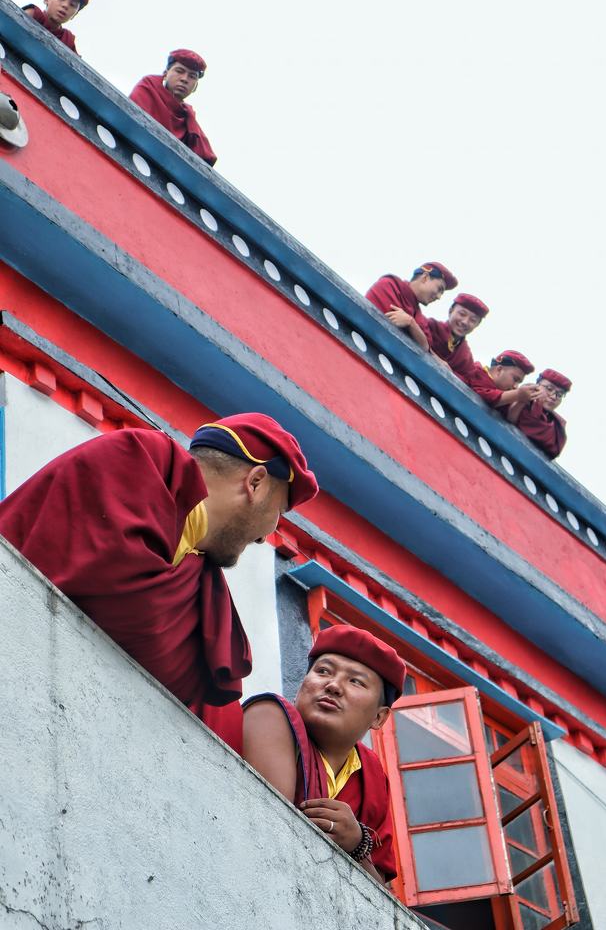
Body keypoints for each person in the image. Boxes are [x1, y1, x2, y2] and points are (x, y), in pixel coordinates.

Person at [0, 414, 318, 753]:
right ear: (255, 483)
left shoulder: (206, 584)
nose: (266, 536)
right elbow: (118, 604)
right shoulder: (139, 459)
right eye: (278, 512)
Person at [243, 625, 406, 884]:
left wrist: (357, 843)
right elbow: (268, 826)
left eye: (355, 681)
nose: (333, 685)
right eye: (323, 671)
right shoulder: (270, 717)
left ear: (379, 717)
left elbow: (380, 892)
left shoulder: (373, 777)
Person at [129, 50, 217, 166]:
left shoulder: (188, 117)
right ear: (165, 73)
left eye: (192, 76)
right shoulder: (149, 88)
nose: (184, 79)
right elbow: (131, 120)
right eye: (179, 71)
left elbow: (205, 159)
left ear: (195, 87)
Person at [365, 263, 458, 350]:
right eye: (439, 289)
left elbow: (426, 348)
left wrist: (411, 324)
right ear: (425, 278)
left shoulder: (418, 317)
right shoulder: (389, 285)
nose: (439, 297)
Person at [508, 368, 572, 459]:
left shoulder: (558, 427)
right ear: (537, 386)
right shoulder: (516, 399)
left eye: (559, 395)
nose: (553, 397)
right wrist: (520, 401)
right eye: (549, 389)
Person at [22, 0, 90, 55]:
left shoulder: (68, 40)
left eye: (73, 4)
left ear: (74, 15)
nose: (65, 5)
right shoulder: (33, 14)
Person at [428, 293, 489, 380]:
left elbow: (468, 380)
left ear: (477, 325)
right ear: (450, 311)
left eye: (473, 320)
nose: (465, 322)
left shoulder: (466, 356)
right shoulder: (431, 327)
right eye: (462, 314)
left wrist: (450, 373)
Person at [465, 350, 540, 414]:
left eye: (519, 383)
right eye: (515, 379)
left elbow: (512, 418)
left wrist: (522, 401)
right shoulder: (476, 374)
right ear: (499, 370)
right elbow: (486, 396)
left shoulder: (506, 399)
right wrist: (518, 394)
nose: (516, 386)